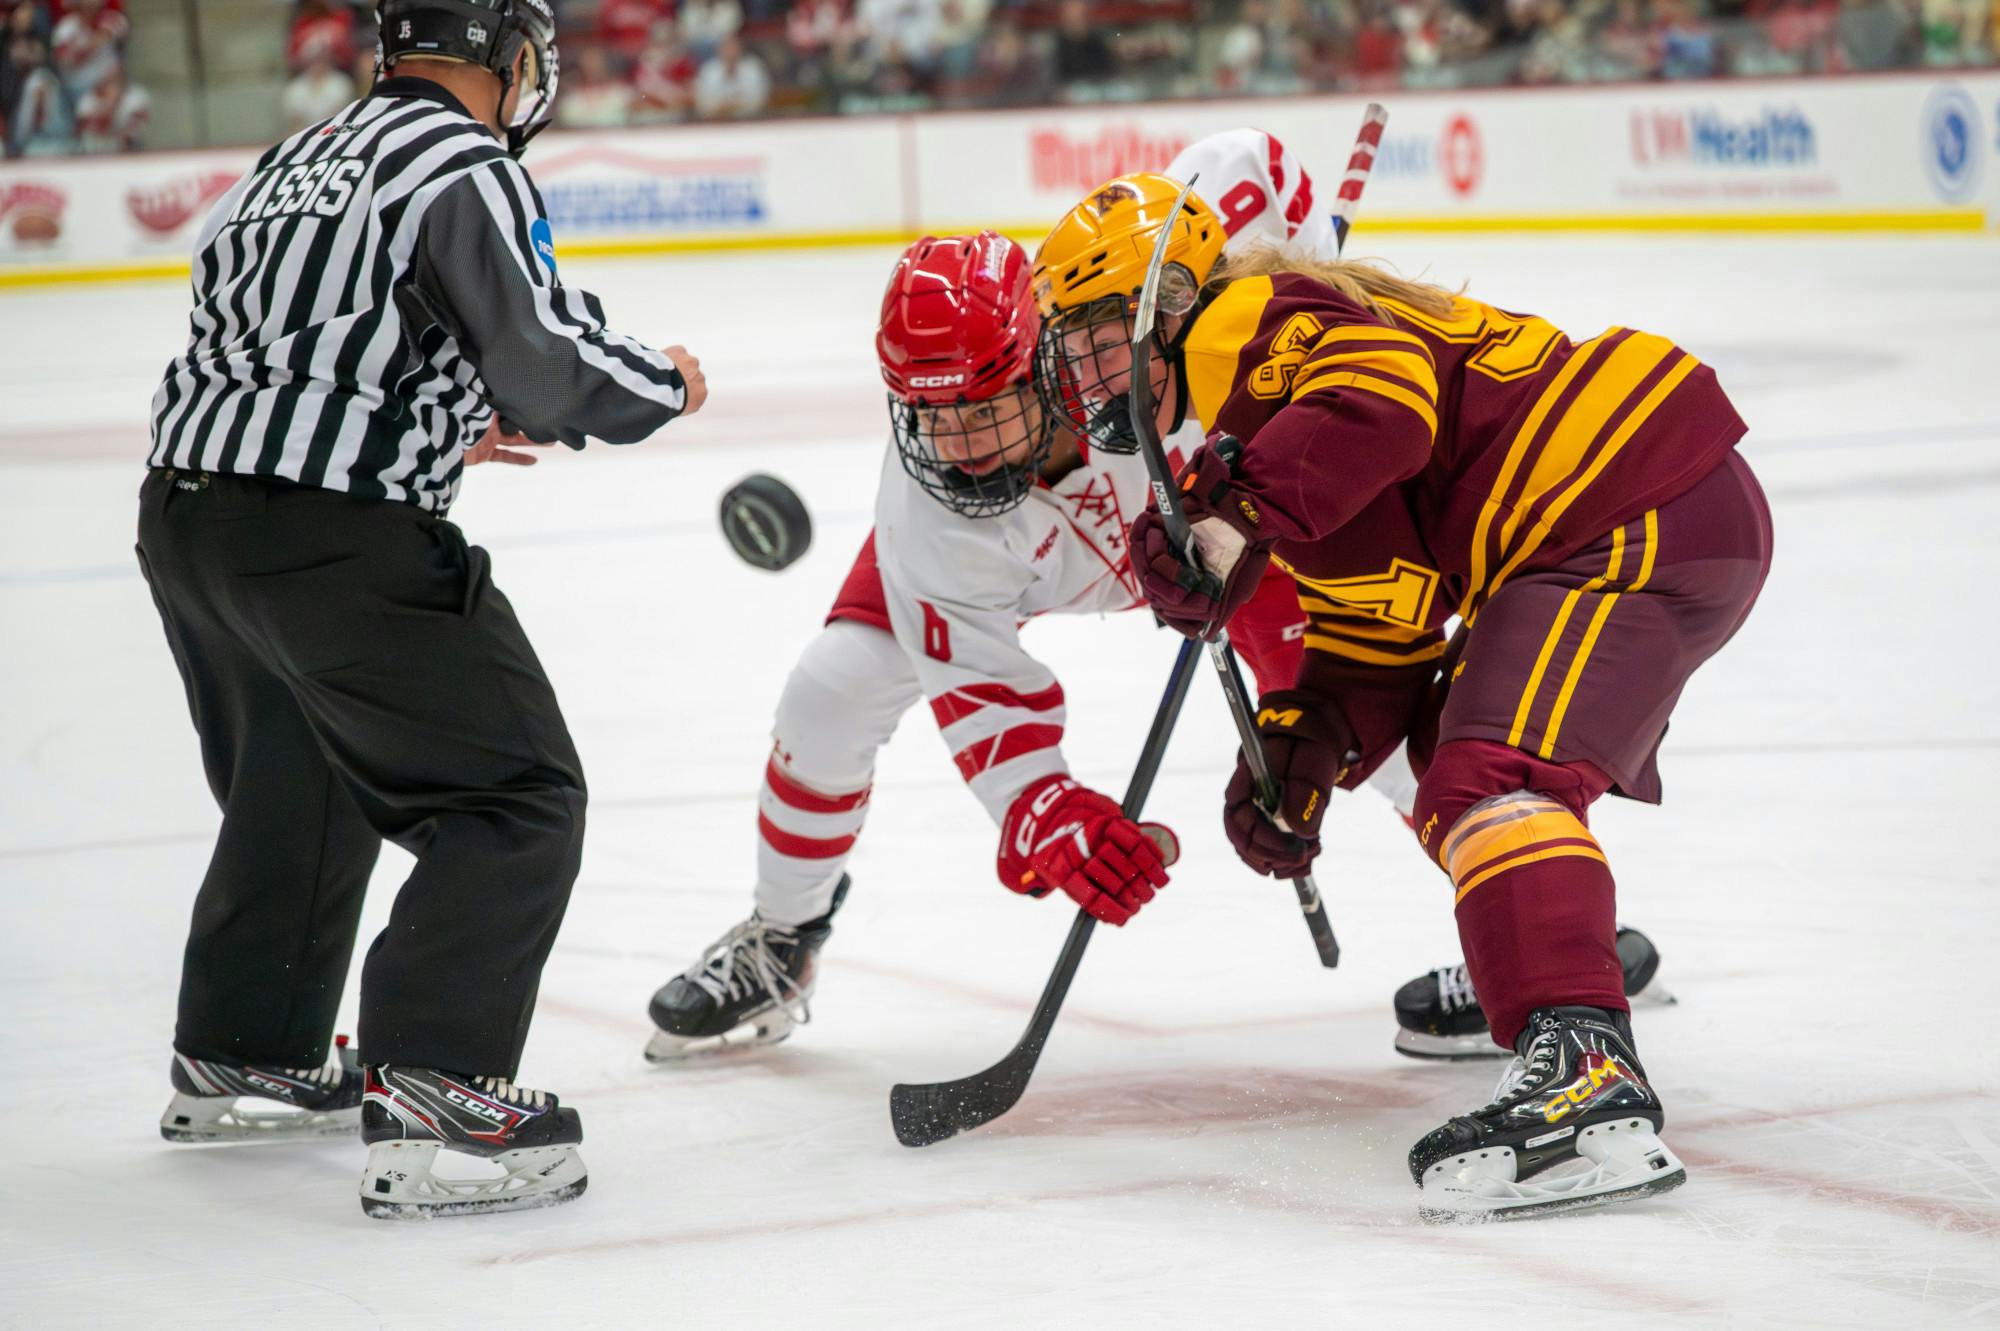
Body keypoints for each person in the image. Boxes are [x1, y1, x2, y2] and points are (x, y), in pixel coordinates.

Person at [1033, 172, 1770, 1220]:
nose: (1086, 373)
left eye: (1100, 334)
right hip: (1636, 506)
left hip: (1617, 501)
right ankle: (1529, 948)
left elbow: (1384, 403)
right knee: (1445, 759)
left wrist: (1227, 518)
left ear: (1165, 305)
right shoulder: (1251, 422)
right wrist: (1304, 744)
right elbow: (1376, 625)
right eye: (1072, 349)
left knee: (1487, 773)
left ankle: (1583, 1066)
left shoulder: (1236, 327)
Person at [138, 0, 705, 1219]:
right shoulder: (462, 160)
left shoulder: (295, 158)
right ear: (506, 56)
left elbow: (299, 345)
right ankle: (441, 1095)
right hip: (331, 533)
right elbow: (549, 357)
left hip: (189, 520)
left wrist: (441, 416)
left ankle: (248, 1047)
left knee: (307, 771)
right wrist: (663, 383)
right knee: (515, 795)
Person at [642, 131, 1337, 1064]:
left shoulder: (1134, 319)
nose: (957, 447)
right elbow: (980, 690)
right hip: (1030, 562)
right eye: (929, 417)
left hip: (1213, 534)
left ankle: (1517, 927)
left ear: (1043, 361)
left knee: (1355, 701)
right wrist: (1043, 811)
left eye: (981, 411)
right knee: (831, 688)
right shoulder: (929, 507)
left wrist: (1307, 281)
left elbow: (1248, 160)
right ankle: (783, 938)